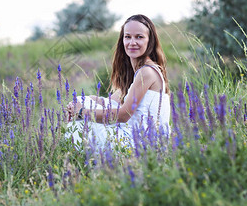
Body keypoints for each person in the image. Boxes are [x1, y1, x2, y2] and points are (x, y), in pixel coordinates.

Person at [66, 14, 171, 150]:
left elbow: (123, 115)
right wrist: (85, 101)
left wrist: (81, 111)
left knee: (83, 118)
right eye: (127, 37)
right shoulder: (136, 74)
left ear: (150, 41)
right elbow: (109, 102)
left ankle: (79, 162)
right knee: (83, 100)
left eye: (139, 37)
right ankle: (82, 161)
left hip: (143, 145)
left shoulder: (147, 72)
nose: (132, 42)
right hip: (136, 139)